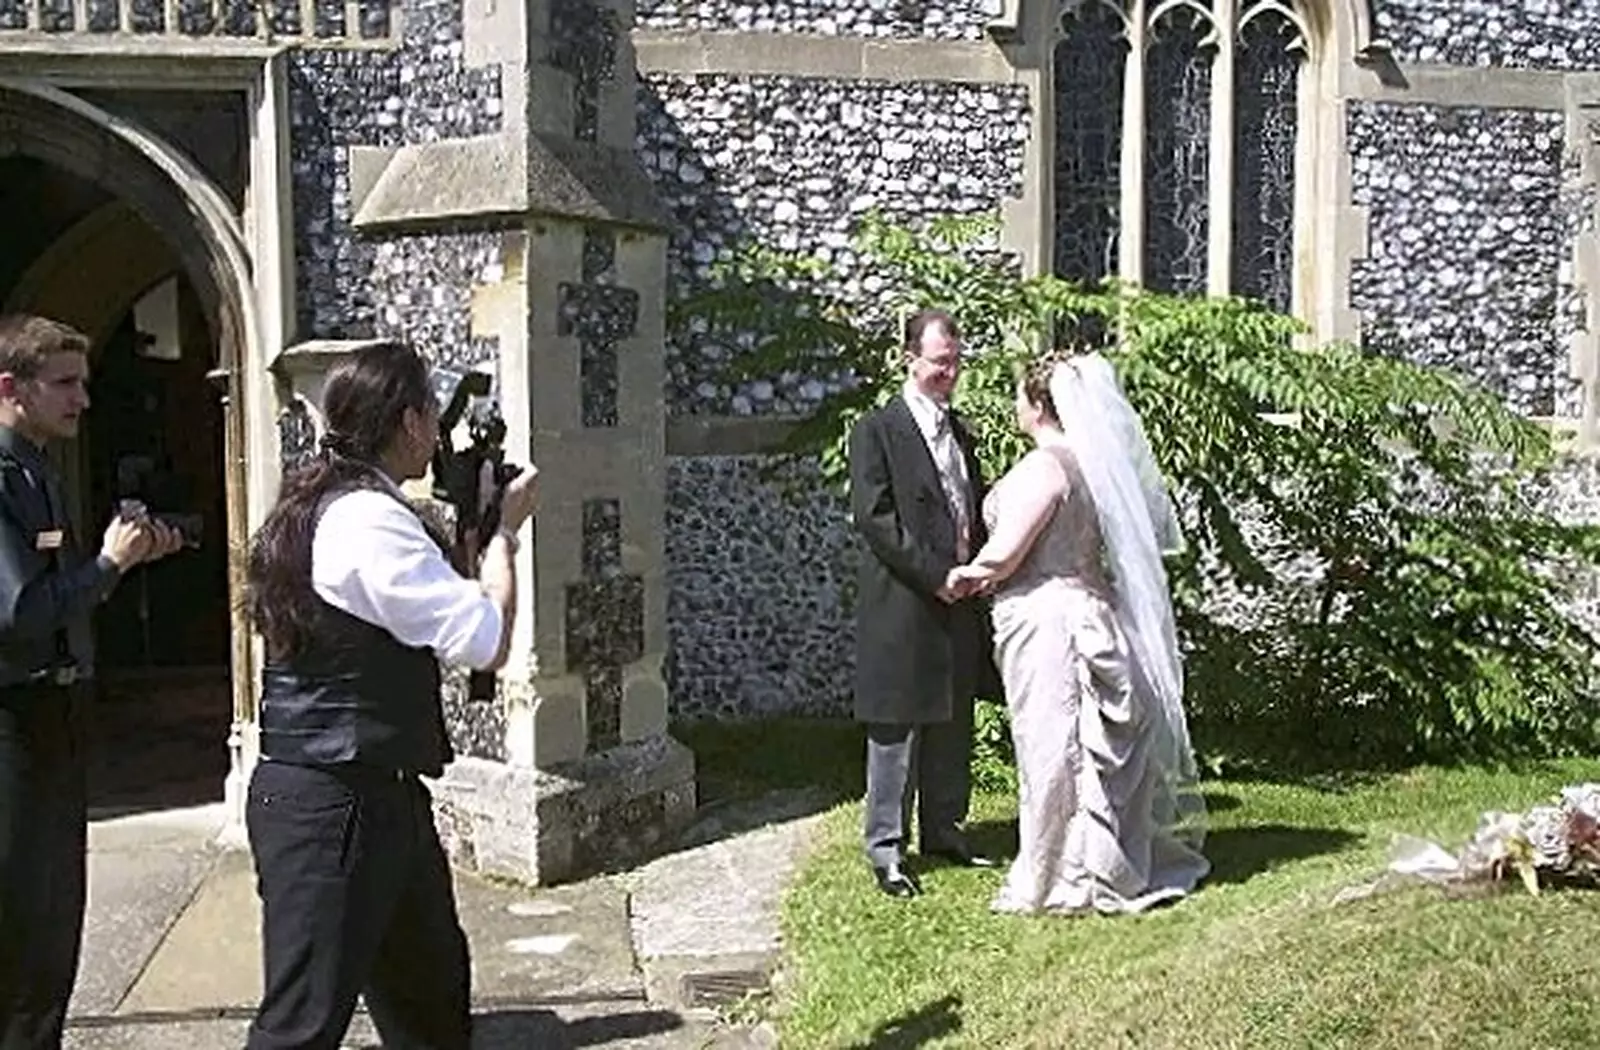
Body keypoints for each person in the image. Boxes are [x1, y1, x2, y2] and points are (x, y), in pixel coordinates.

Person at [241, 341, 538, 1049]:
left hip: (376, 794)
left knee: (431, 998)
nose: (439, 431)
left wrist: (469, 521)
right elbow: (480, 638)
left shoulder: (330, 500)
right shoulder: (365, 522)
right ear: (408, 421)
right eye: (433, 413)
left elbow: (422, 611)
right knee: (302, 1025)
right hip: (333, 802)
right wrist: (507, 536)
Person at [947, 353, 1210, 915]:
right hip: (1092, 607)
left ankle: (1062, 875)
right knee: (1085, 748)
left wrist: (966, 576)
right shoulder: (1092, 464)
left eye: (1021, 395)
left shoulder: (1046, 467)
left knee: (1052, 745)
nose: (1015, 404)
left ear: (1039, 404)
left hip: (1051, 620)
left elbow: (1008, 551)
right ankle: (1100, 860)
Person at [0, 314, 184, 1050]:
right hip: (13, 725)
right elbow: (19, 612)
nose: (82, 401)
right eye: (66, 384)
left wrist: (128, 560)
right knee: (23, 926)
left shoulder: (37, 466)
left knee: (53, 924)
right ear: (12, 388)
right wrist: (108, 565)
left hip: (53, 719)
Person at [848, 308, 998, 900]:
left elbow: (969, 505)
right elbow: (875, 519)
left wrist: (982, 569)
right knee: (897, 729)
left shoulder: (960, 431)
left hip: (958, 601)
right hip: (904, 603)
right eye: (940, 362)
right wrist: (938, 576)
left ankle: (945, 830)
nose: (950, 372)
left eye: (956, 361)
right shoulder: (876, 430)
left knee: (953, 720)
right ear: (909, 359)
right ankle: (887, 850)